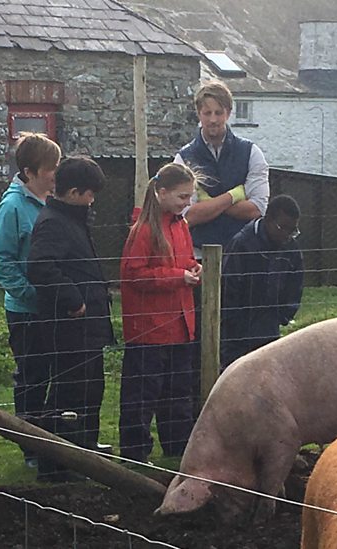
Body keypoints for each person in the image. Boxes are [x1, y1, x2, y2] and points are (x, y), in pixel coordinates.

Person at [27, 155, 114, 482]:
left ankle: (83, 452)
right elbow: (40, 266)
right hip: (70, 328)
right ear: (75, 191)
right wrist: (73, 299)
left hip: (86, 328)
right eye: (90, 194)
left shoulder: (71, 220)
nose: (92, 201)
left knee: (90, 390)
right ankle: (58, 464)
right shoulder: (54, 222)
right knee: (70, 394)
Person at [118, 163, 202, 463]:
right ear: (162, 192)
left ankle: (177, 445)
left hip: (180, 324)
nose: (187, 203)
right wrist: (179, 276)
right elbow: (133, 274)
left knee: (178, 392)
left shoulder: (181, 226)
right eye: (182, 197)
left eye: (190, 197)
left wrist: (193, 268)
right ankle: (135, 451)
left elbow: (185, 260)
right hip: (150, 328)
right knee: (142, 395)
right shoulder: (143, 230)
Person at [0, 132, 60, 469]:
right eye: (51, 168)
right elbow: (1, 261)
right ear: (31, 171)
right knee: (32, 377)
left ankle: (53, 441)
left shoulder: (50, 201)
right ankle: (30, 445)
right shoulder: (12, 207)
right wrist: (32, 295)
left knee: (57, 373)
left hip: (52, 309)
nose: (55, 174)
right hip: (27, 311)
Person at [175, 79, 269, 256]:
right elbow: (187, 215)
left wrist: (208, 202)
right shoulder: (183, 158)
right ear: (198, 114)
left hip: (244, 254)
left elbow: (257, 209)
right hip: (198, 256)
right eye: (207, 113)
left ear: (229, 113)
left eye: (218, 113)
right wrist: (234, 195)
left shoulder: (251, 153)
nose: (213, 119)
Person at [220, 195, 304, 368]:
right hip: (237, 335)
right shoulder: (242, 244)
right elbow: (229, 288)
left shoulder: (291, 249)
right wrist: (234, 323)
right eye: (283, 228)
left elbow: (295, 285)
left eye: (293, 230)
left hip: (270, 329)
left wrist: (284, 315)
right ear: (268, 219)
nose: (288, 235)